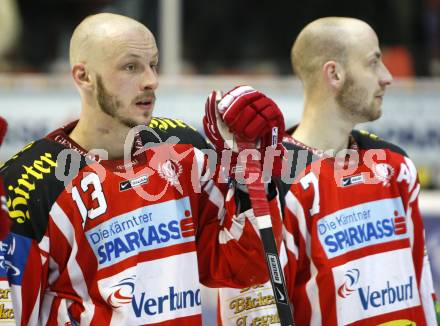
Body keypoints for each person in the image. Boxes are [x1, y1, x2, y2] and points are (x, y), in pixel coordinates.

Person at [0, 13, 284, 325]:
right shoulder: (27, 183)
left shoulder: (184, 149)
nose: (151, 80)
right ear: (83, 76)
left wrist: (253, 183)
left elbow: (243, 267)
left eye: (153, 64)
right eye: (131, 66)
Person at [217, 17, 440, 326]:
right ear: (334, 73)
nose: (387, 77)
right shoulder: (270, 180)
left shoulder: (395, 164)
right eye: (374, 62)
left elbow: (423, 288)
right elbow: (249, 310)